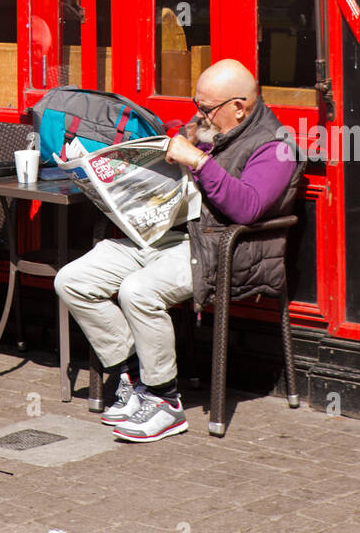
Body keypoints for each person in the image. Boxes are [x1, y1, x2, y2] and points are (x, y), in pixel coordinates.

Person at [54, 59, 297, 443]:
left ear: (239, 107)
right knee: (72, 280)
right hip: (163, 237)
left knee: (139, 291)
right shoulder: (208, 127)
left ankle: (164, 400)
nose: (198, 115)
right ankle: (131, 373)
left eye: (207, 108)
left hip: (220, 249)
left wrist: (197, 160)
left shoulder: (277, 145)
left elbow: (248, 208)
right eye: (196, 104)